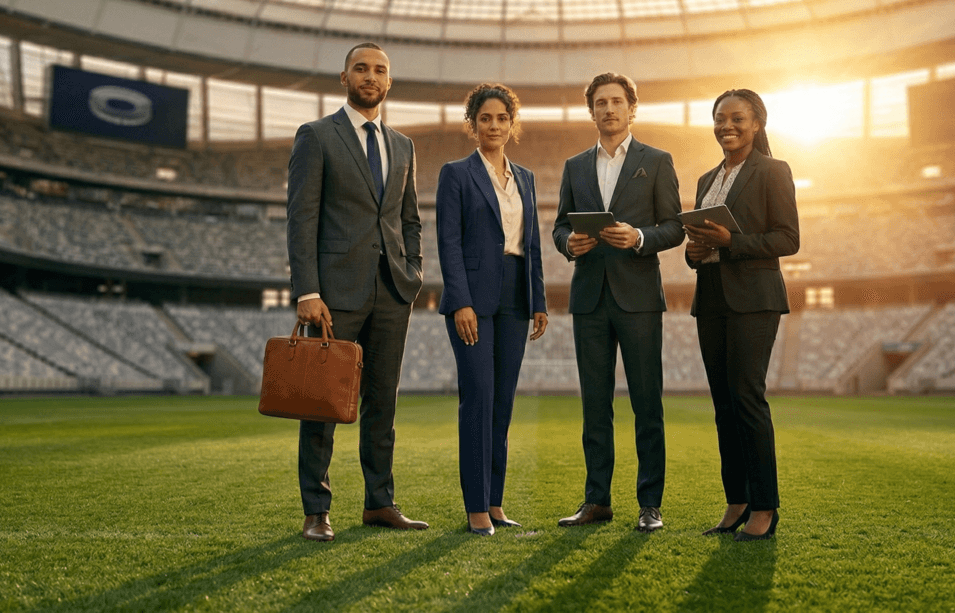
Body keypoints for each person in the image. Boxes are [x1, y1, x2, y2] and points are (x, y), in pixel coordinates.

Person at [287, 42, 427, 542]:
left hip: (392, 290)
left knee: (382, 404)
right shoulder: (317, 136)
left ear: (389, 82)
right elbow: (302, 218)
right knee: (322, 402)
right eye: (361, 68)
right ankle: (316, 510)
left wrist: (411, 272)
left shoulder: (404, 145)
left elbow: (409, 218)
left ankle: (380, 503)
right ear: (343, 77)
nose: (371, 76)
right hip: (334, 294)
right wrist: (307, 289)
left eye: (381, 70)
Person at [552, 72, 685, 533]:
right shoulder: (574, 166)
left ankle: (650, 504)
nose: (608, 109)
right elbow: (558, 228)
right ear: (591, 111)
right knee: (595, 407)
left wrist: (639, 236)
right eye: (600, 103)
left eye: (616, 102)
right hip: (590, 298)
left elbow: (675, 226)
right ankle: (597, 501)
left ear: (632, 108)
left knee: (647, 404)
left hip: (639, 299)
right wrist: (569, 244)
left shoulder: (658, 160)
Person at [684, 88, 799, 542]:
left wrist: (732, 243)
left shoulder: (774, 171)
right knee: (723, 407)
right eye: (719, 118)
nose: (726, 125)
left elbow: (788, 239)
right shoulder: (705, 179)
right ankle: (736, 500)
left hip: (754, 298)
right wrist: (694, 251)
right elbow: (699, 249)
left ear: (756, 124)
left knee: (748, 400)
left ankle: (764, 507)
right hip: (711, 298)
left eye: (736, 118)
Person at [436, 83, 549, 536]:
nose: (495, 125)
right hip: (474, 300)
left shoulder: (525, 178)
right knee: (479, 399)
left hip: (515, 299)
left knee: (502, 403)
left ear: (512, 124)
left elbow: (533, 243)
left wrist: (538, 300)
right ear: (472, 125)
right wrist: (460, 300)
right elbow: (448, 242)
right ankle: (476, 507)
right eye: (486, 118)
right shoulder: (456, 174)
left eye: (503, 118)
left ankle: (496, 502)